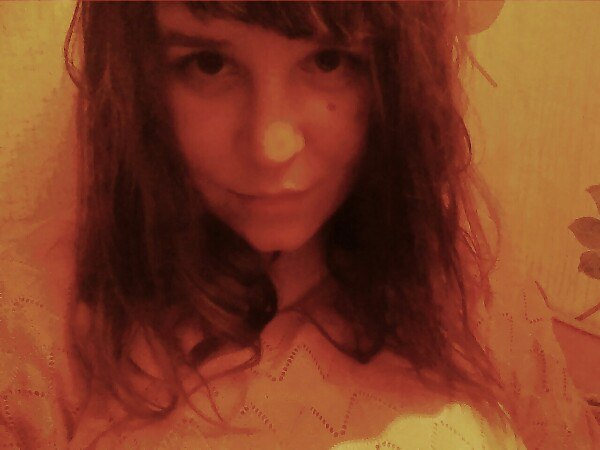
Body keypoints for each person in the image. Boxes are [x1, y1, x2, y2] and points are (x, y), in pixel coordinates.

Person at [0, 1, 597, 448]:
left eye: (329, 60)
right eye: (209, 64)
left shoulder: (470, 276)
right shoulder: (37, 323)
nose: (271, 146)